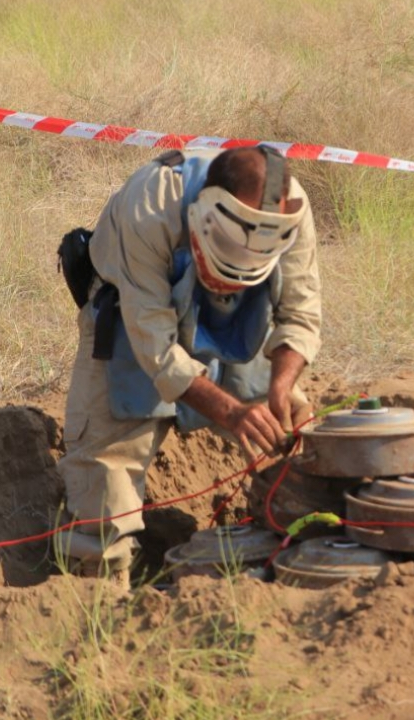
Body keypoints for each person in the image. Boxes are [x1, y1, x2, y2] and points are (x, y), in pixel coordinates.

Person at [55, 145, 321, 577]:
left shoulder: (289, 209)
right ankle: (99, 590)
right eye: (221, 265)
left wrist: (280, 387)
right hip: (130, 311)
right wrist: (231, 412)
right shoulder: (151, 204)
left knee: (291, 438)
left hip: (235, 316)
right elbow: (157, 349)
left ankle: (299, 558)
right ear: (200, 220)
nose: (225, 277)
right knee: (105, 472)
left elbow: (301, 313)